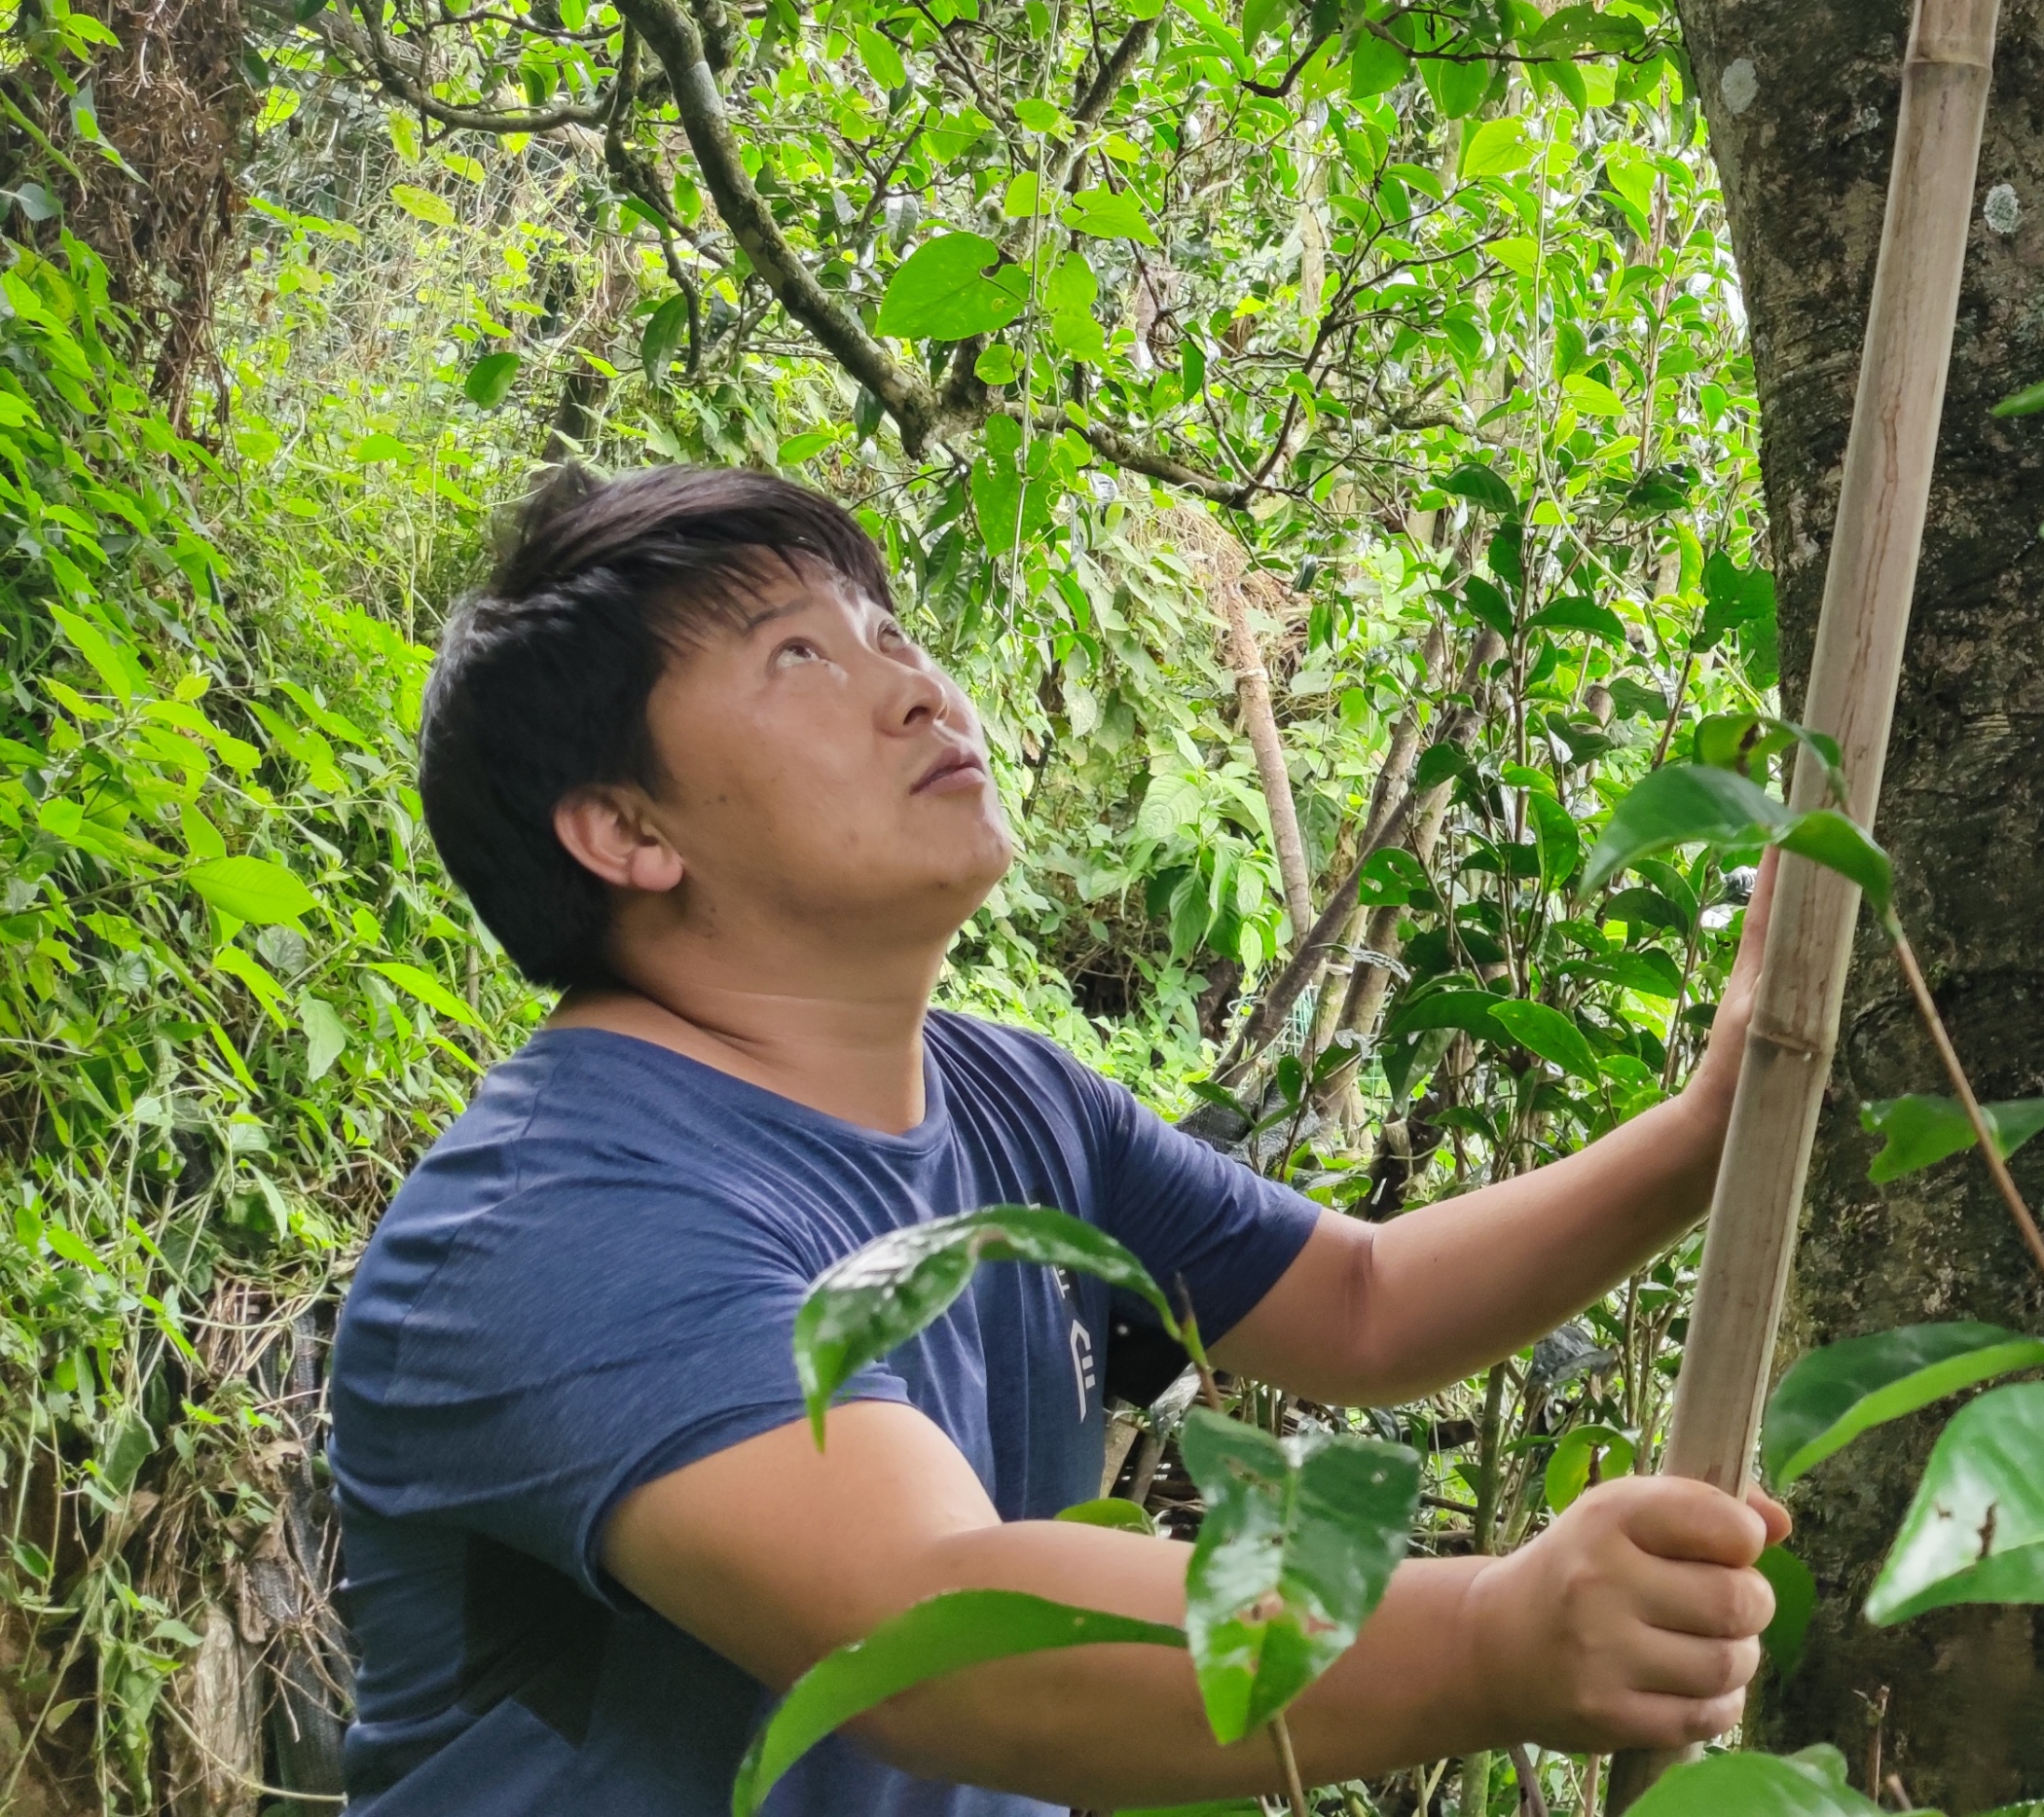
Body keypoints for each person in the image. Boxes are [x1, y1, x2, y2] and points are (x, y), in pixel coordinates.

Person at [330, 466, 1787, 1815]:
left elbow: (1364, 1304)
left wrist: (1714, 1119)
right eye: (799, 657)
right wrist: (1492, 1637)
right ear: (627, 831)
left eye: (889, 632)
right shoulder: (558, 1223)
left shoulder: (1012, 1097)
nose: (912, 687)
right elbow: (950, 1640)